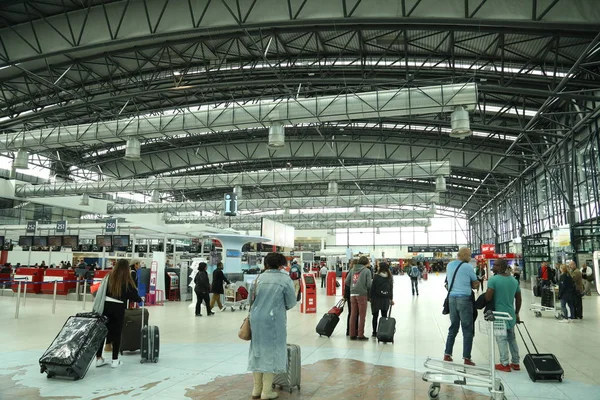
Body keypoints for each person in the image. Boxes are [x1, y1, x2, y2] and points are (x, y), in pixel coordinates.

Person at [248, 253, 296, 400]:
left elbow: (251, 300)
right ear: (281, 264)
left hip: (255, 319)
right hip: (274, 319)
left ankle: (256, 389)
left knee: (257, 350)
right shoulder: (284, 279)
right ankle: (266, 391)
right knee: (272, 351)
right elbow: (291, 302)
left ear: (266, 264)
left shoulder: (257, 279)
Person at [95, 259, 142, 368]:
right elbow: (133, 295)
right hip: (118, 308)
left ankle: (98, 358)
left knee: (102, 332)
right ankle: (115, 360)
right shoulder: (126, 279)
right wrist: (139, 299)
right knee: (116, 333)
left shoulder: (108, 276)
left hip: (105, 307)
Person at [443, 247, 479, 366]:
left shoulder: (449, 265)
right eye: (469, 256)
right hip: (464, 299)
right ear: (465, 255)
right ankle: (466, 358)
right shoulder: (467, 267)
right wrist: (477, 282)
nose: (470, 258)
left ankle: (447, 354)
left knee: (453, 327)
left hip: (452, 298)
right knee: (467, 328)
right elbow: (474, 284)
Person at [484, 259, 522, 372]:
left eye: (495, 265)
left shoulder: (493, 280)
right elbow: (519, 298)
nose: (492, 266)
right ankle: (515, 362)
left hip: (499, 315)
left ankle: (504, 363)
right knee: (512, 338)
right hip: (510, 314)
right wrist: (517, 313)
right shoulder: (514, 281)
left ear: (500, 267)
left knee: (501, 338)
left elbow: (488, 298)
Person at [345, 256, 372, 341]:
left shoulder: (352, 269)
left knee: (353, 314)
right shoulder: (367, 271)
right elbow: (369, 285)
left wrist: (354, 286)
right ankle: (360, 335)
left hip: (352, 294)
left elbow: (346, 282)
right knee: (362, 315)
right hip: (362, 294)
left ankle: (352, 334)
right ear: (365, 262)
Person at [370, 262, 394, 337]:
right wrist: (391, 299)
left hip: (376, 298)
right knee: (384, 316)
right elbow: (390, 289)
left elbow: (373, 288)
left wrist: (370, 297)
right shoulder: (389, 277)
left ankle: (374, 332)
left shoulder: (376, 276)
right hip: (385, 299)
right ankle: (383, 331)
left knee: (375, 316)